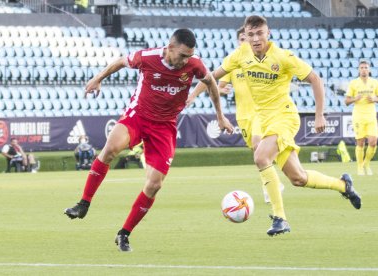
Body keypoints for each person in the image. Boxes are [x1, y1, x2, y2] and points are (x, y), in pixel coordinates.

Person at [64, 29, 234, 252]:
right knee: (110, 149)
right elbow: (120, 62)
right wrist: (97, 79)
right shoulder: (147, 57)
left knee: (154, 184)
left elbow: (211, 83)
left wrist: (220, 117)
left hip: (165, 127)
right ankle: (83, 203)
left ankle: (124, 233)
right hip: (138, 116)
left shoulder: (194, 64)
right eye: (182, 55)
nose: (186, 60)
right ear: (170, 48)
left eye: (189, 55)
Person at [205, 15, 361, 236]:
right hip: (265, 120)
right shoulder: (242, 54)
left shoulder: (283, 57)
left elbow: (315, 79)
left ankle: (280, 218)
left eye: (260, 33)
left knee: (260, 157)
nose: (256, 38)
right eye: (251, 34)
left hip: (285, 117)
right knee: (298, 178)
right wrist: (188, 84)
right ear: (246, 37)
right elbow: (211, 77)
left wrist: (319, 115)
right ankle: (344, 185)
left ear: (268, 33)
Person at [188, 26, 280, 204]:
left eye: (247, 38)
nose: (245, 42)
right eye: (242, 39)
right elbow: (215, 83)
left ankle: (270, 186)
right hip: (243, 115)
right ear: (239, 41)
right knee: (256, 151)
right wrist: (199, 94)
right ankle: (270, 182)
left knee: (257, 144)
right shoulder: (234, 63)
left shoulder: (263, 60)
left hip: (261, 112)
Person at [345, 60, 378, 176]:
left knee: (373, 142)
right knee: (360, 143)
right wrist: (354, 99)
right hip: (358, 117)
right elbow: (346, 101)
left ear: (369, 69)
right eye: (361, 67)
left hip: (371, 116)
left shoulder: (375, 82)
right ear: (358, 69)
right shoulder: (353, 83)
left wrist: (374, 99)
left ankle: (366, 163)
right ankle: (360, 167)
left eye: (366, 67)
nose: (364, 69)